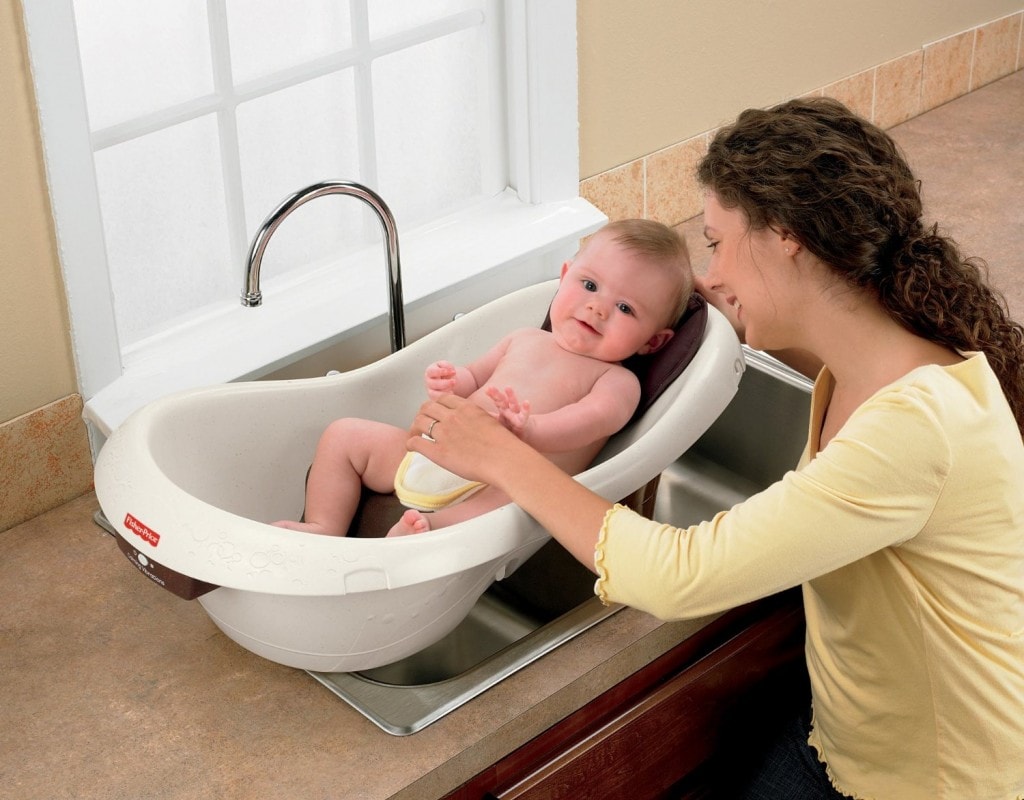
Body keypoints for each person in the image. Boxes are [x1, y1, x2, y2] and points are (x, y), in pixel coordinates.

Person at [405, 97, 1024, 799]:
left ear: (786, 238)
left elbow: (679, 577)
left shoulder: (913, 429)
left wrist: (500, 455)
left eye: (717, 243)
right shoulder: (886, 352)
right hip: (848, 738)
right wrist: (675, 302)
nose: (714, 273)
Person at [273, 218, 693, 538]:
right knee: (343, 435)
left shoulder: (617, 382)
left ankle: (423, 533)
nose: (597, 308)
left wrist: (530, 430)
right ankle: (323, 526)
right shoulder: (525, 338)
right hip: (435, 450)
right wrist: (450, 381)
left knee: (503, 512)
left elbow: (589, 422)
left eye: (625, 309)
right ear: (564, 276)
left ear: (653, 342)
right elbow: (474, 378)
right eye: (589, 285)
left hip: (499, 482)